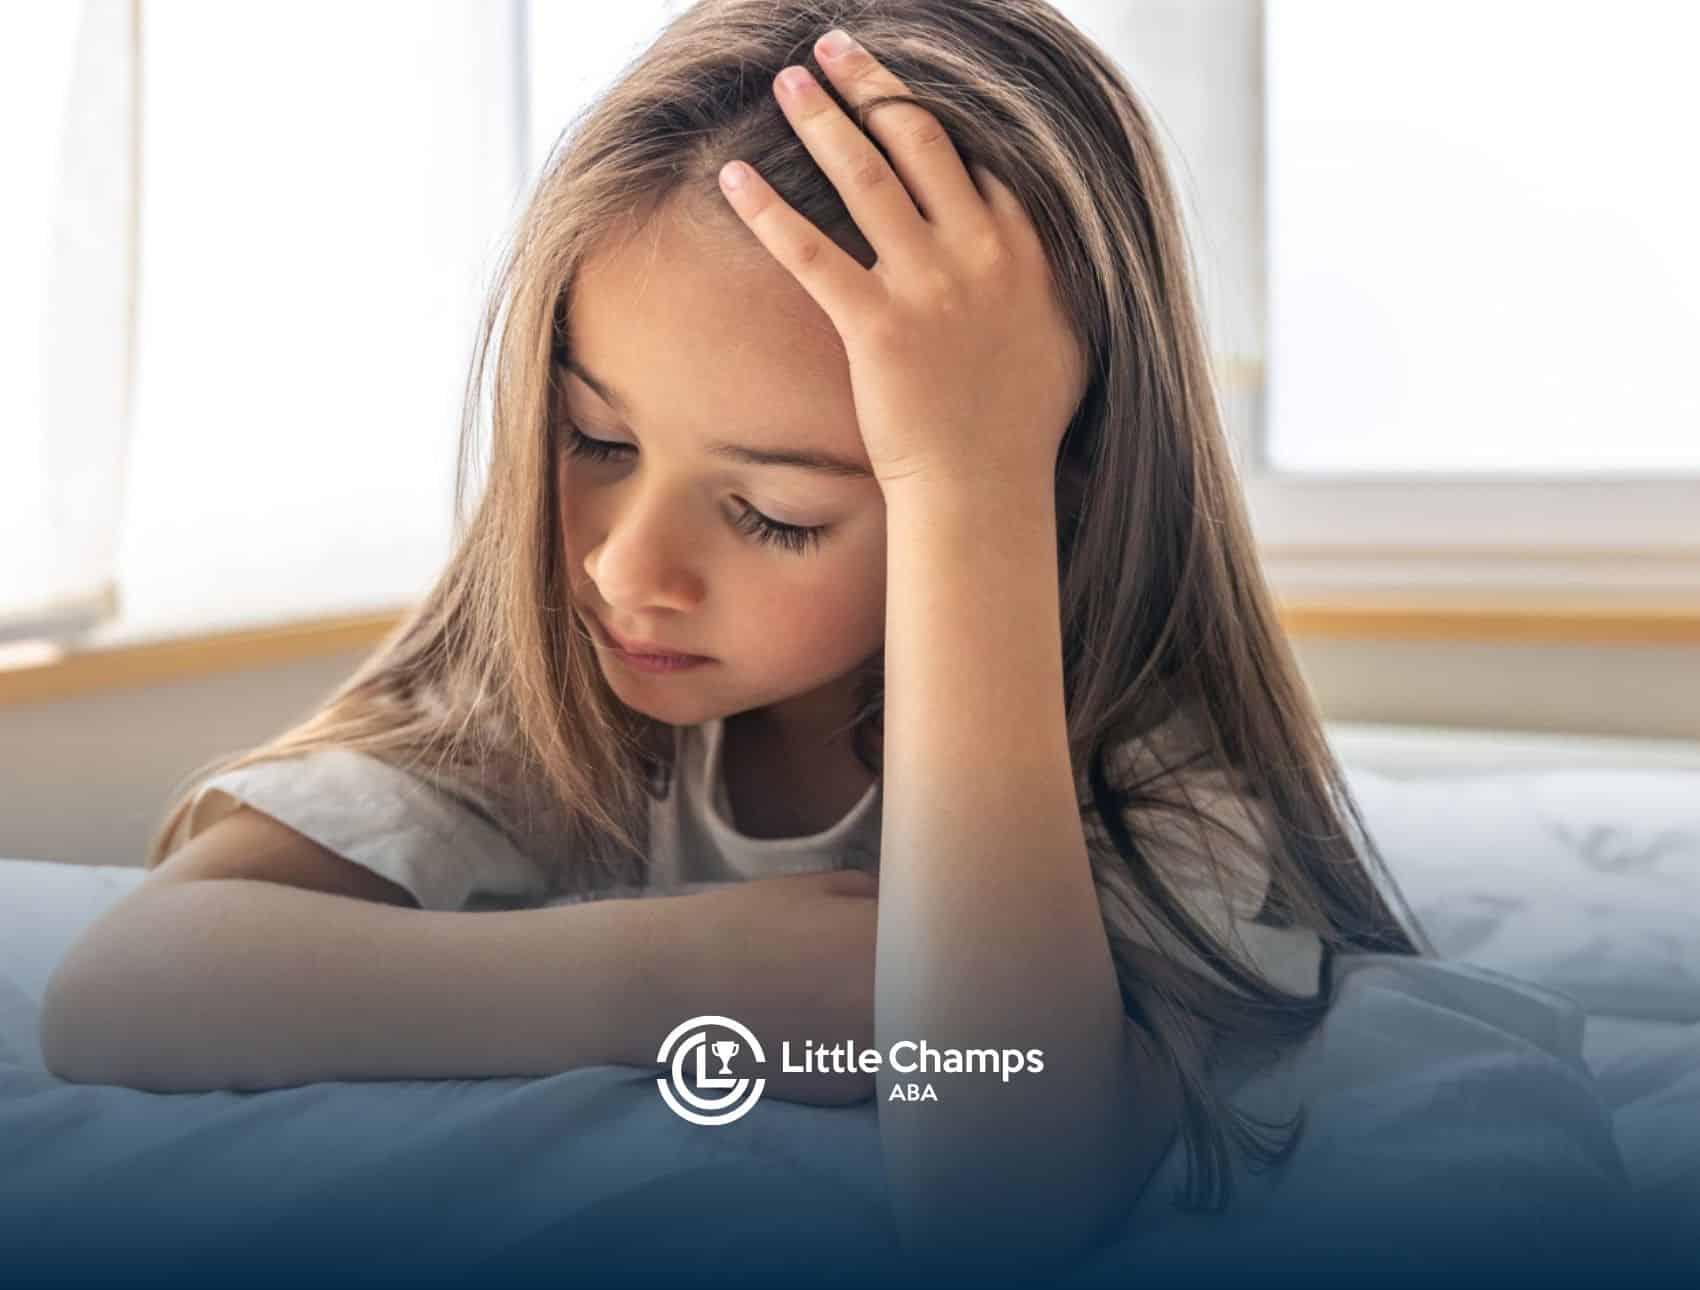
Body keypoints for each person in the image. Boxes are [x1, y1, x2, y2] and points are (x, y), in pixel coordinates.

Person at [41, 0, 1431, 1277]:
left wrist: (968, 479)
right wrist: (685, 972)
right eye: (596, 437)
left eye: (770, 514)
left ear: (1055, 497)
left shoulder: (1150, 776)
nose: (622, 563)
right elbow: (119, 990)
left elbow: (1004, 1198)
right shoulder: (554, 700)